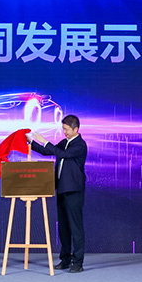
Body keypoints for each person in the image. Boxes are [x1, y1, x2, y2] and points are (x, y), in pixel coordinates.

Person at [29, 114, 87, 272]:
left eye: (67, 129)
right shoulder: (65, 142)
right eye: (63, 129)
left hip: (74, 190)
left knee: (75, 227)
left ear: (76, 129)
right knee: (63, 227)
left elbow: (63, 154)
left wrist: (44, 141)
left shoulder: (80, 145)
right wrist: (31, 142)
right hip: (62, 189)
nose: (64, 132)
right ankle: (65, 259)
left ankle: (78, 262)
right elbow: (48, 151)